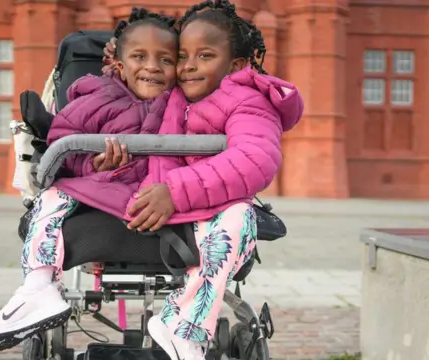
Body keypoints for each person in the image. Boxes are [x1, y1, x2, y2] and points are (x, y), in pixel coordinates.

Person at [0, 8, 180, 352]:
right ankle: (38, 287)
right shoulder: (94, 101)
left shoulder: (186, 108)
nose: (152, 66)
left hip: (158, 197)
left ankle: (186, 318)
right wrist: (91, 163)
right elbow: (61, 150)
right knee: (51, 196)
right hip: (97, 190)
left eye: (165, 59)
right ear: (119, 64)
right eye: (140, 56)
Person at [103, 1, 303, 359]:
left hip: (205, 209)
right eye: (182, 56)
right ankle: (180, 330)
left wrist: (176, 191)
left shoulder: (247, 100)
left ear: (236, 65)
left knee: (240, 217)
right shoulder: (175, 93)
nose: (188, 66)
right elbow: (138, 92)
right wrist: (122, 68)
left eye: (205, 56)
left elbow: (254, 159)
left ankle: (184, 329)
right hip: (155, 210)